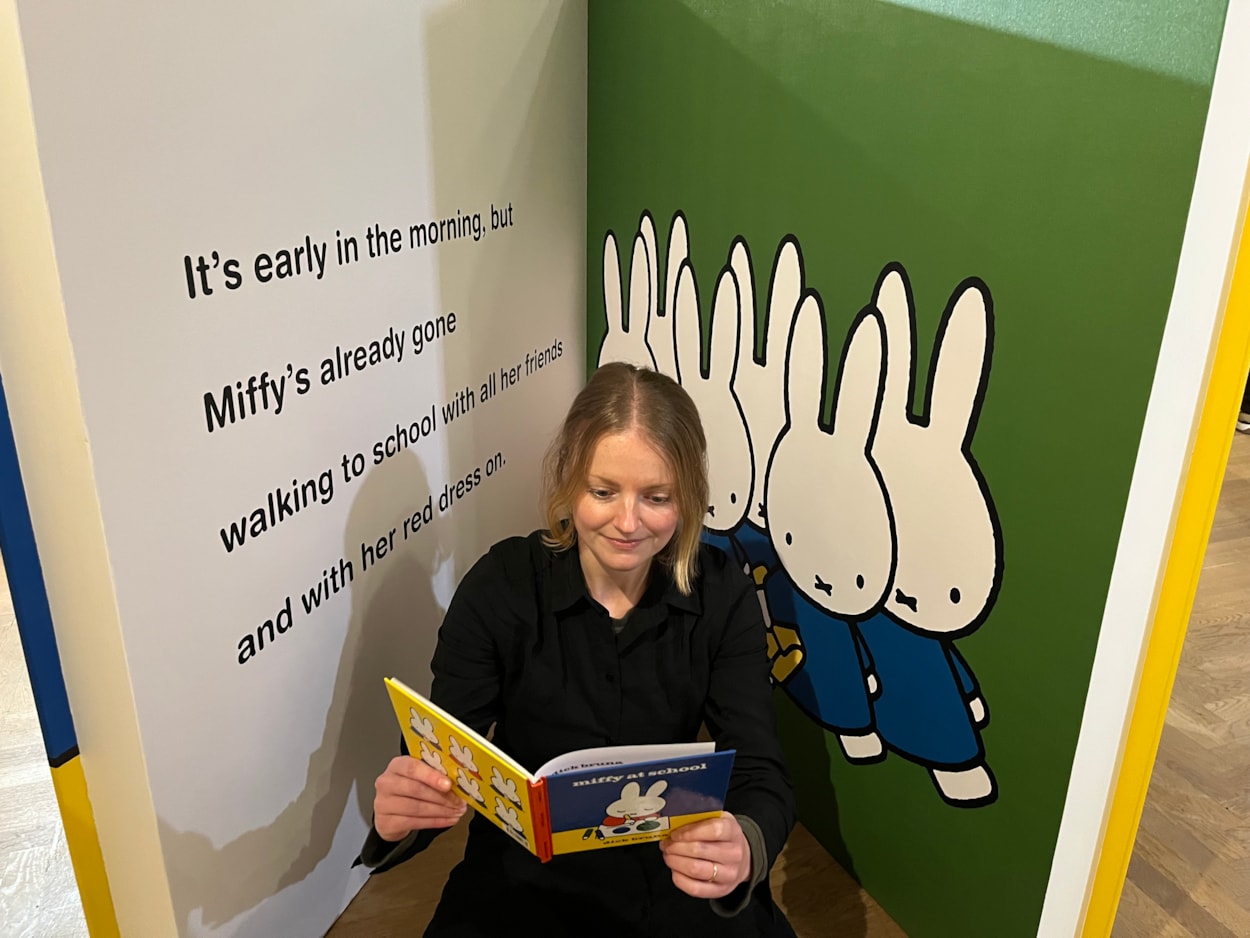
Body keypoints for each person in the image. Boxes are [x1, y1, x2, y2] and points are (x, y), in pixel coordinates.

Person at [358, 361, 797, 937]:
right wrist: (406, 813)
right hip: (522, 877)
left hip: (667, 869)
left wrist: (744, 844)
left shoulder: (722, 594)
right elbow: (439, 763)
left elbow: (761, 769)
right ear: (569, 480)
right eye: (603, 491)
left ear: (689, 495)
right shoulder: (502, 586)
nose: (628, 522)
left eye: (657, 496)